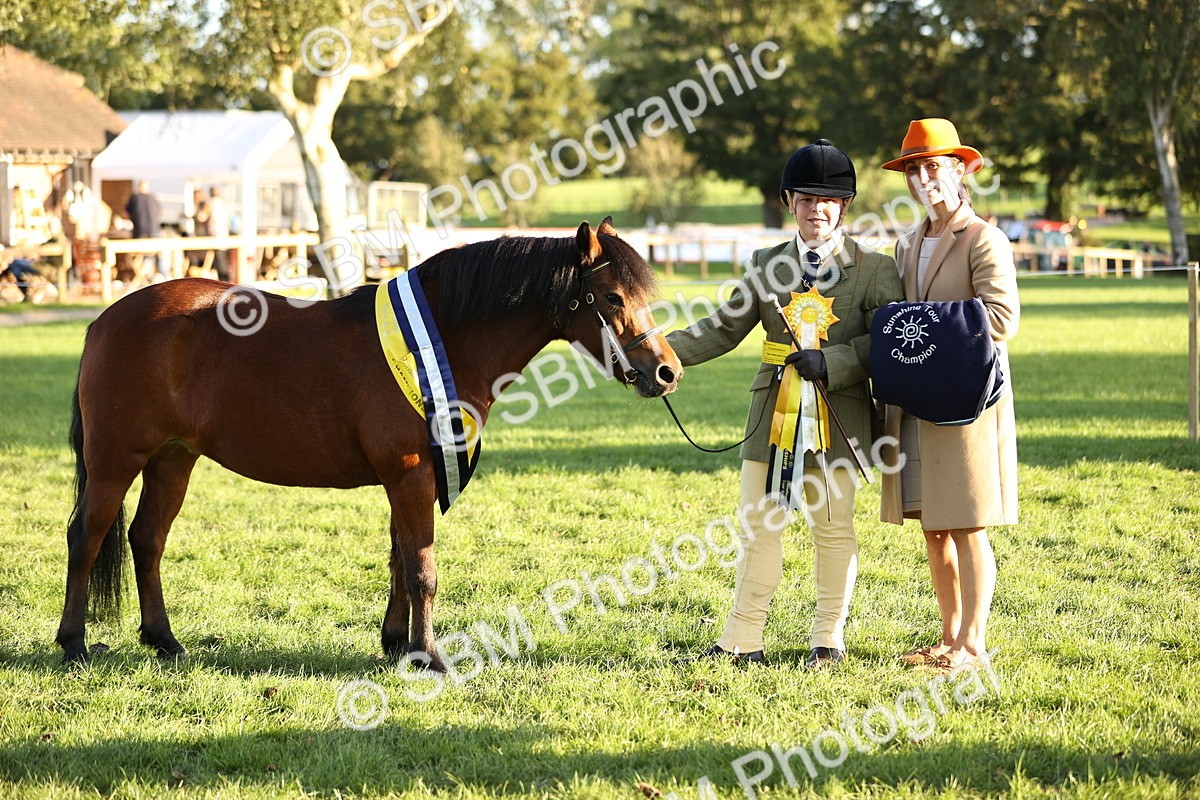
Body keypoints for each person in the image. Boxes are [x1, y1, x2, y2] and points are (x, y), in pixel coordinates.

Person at [667, 139, 904, 668]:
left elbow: (890, 338)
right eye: (805, 198)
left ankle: (828, 638)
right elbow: (723, 330)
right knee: (759, 526)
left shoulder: (874, 269)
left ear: (843, 207)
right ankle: (742, 639)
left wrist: (837, 361)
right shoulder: (764, 264)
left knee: (833, 528)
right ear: (788, 201)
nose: (815, 209)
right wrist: (659, 355)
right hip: (771, 415)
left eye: (827, 200)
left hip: (839, 416)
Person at [878, 118, 1020, 672]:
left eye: (932, 167)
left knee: (968, 522)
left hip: (968, 403)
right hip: (917, 402)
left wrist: (923, 327)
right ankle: (947, 637)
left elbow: (1003, 319)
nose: (922, 179)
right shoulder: (906, 242)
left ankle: (973, 643)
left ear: (960, 171)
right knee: (934, 526)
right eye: (913, 170)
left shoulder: (985, 238)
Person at [125, 180, 163, 276]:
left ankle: (142, 277)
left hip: (139, 232)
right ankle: (157, 275)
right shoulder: (153, 197)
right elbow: (160, 211)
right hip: (154, 231)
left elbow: (125, 214)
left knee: (139, 256)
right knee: (156, 254)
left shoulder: (134, 197)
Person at [206, 186, 232, 282]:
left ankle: (223, 280)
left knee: (219, 259)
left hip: (216, 233)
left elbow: (203, 216)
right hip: (223, 232)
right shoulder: (222, 203)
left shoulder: (212, 202)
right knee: (223, 258)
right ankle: (225, 279)